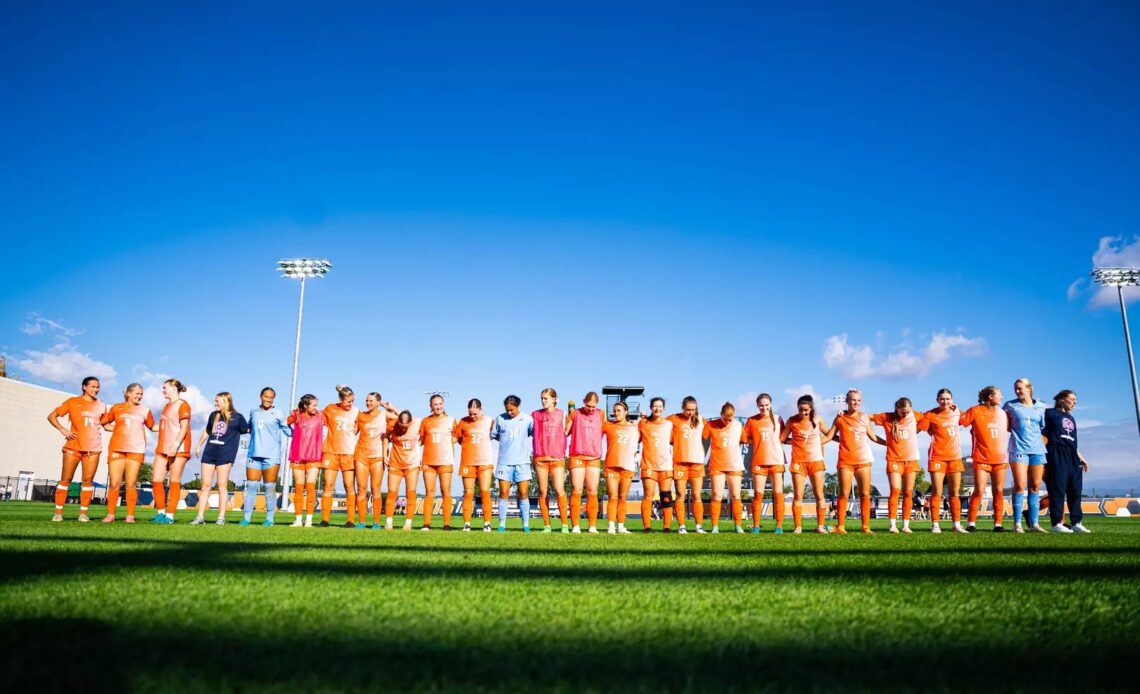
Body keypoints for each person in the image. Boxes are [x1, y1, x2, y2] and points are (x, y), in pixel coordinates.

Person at [99, 383, 156, 523]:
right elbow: (104, 424)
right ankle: (111, 515)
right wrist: (119, 429)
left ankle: (130, 515)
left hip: (136, 449)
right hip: (117, 448)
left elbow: (153, 427)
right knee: (115, 483)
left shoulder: (145, 410)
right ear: (128, 393)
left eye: (141, 394)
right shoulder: (117, 407)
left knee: (131, 483)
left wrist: (170, 426)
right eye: (137, 393)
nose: (139, 396)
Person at [191, 392, 250, 525]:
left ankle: (221, 517)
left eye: (217, 401)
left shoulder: (238, 417)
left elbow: (248, 430)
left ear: (226, 401)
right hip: (209, 453)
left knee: (221, 486)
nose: (215, 403)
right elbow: (207, 430)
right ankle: (200, 517)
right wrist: (199, 445)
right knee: (205, 485)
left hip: (225, 455)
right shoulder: (213, 415)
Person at [831, 389, 883, 534]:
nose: (856, 403)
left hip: (863, 460)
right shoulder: (840, 418)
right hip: (845, 461)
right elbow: (829, 435)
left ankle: (865, 526)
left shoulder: (865, 418)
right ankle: (840, 526)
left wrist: (889, 443)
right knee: (843, 494)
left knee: (865, 494)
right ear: (847, 401)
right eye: (853, 400)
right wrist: (814, 440)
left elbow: (873, 437)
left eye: (859, 400)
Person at [960, 385, 1010, 532]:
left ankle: (998, 524)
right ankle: (971, 524)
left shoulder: (1003, 413)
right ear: (990, 397)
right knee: (979, 490)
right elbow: (960, 421)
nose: (1001, 397)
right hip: (981, 458)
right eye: (999, 394)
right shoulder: (975, 410)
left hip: (1000, 459)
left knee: (998, 491)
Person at [780, 394, 831, 534]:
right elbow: (783, 439)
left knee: (819, 494)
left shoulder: (817, 419)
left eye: (806, 410)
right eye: (801, 410)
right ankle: (798, 527)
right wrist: (795, 441)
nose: (803, 413)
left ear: (811, 408)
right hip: (798, 462)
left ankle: (820, 526)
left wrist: (820, 441)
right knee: (798, 495)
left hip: (816, 461)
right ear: (797, 408)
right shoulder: (791, 421)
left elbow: (829, 434)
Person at [919, 388, 966, 534]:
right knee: (937, 491)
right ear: (937, 400)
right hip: (937, 457)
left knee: (954, 492)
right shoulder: (931, 414)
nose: (945, 401)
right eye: (942, 399)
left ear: (952, 400)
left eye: (948, 399)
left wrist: (958, 408)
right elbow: (922, 428)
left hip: (955, 457)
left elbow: (968, 419)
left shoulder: (957, 412)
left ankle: (956, 525)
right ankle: (935, 525)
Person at [871, 397, 921, 534]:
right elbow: (867, 417)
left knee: (908, 492)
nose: (905, 415)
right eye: (903, 412)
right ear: (897, 409)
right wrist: (844, 412)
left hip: (911, 460)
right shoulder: (887, 417)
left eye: (908, 412)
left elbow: (931, 418)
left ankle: (905, 525)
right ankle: (892, 524)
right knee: (895, 490)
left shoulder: (915, 415)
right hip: (894, 460)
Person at [1043, 390, 1091, 533]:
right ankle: (1056, 523)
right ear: (1062, 399)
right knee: (1058, 489)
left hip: (1072, 455)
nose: (1074, 402)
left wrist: (1081, 458)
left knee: (1075, 490)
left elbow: (1072, 442)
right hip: (1056, 452)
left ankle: (1076, 522)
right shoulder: (1049, 413)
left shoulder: (1071, 418)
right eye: (1072, 399)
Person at [1004, 378, 1048, 533]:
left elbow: (1042, 427)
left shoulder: (1041, 406)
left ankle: (1034, 524)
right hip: (1018, 449)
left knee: (1035, 487)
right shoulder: (1010, 406)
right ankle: (1017, 524)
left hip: (1037, 450)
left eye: (1020, 388)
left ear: (1029, 388)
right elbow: (1004, 424)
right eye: (1015, 389)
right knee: (1020, 486)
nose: (1017, 391)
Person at [243, 387, 292, 526]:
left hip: (272, 456)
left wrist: (301, 426)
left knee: (269, 487)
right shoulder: (254, 412)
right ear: (261, 397)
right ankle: (246, 518)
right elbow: (248, 428)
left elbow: (289, 432)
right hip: (254, 455)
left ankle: (269, 519)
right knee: (251, 486)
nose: (268, 399)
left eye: (271, 397)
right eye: (266, 396)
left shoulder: (278, 413)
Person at [354, 393, 398, 529]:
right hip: (361, 456)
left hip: (377, 456)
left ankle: (376, 522)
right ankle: (361, 522)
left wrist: (391, 408)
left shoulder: (384, 415)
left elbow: (405, 418)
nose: (368, 403)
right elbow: (352, 433)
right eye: (367, 400)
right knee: (361, 489)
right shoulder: (361, 416)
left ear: (378, 402)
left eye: (371, 401)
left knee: (376, 489)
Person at [744, 393, 786, 534]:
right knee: (758, 494)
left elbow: (784, 438)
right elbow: (744, 438)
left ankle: (779, 526)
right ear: (757, 405)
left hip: (776, 460)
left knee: (778, 493)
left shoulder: (778, 419)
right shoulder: (751, 421)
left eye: (766, 405)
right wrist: (756, 442)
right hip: (759, 461)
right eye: (761, 405)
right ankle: (756, 525)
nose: (764, 407)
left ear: (771, 405)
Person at [152, 379, 192, 524]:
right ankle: (160, 513)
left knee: (174, 481)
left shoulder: (183, 405)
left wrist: (175, 446)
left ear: (174, 388)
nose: (163, 390)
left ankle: (169, 516)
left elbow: (184, 428)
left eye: (165, 388)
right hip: (162, 448)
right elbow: (161, 427)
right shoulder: (166, 406)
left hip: (178, 449)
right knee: (156, 480)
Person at [491, 395, 533, 532]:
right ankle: (502, 524)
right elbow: (495, 435)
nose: (509, 413)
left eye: (512, 410)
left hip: (522, 462)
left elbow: (533, 434)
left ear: (517, 406)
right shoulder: (500, 419)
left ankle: (525, 524)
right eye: (507, 410)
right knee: (503, 492)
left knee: (523, 492)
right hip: (504, 462)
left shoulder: (527, 419)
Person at [704, 403, 747, 533]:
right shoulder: (710, 425)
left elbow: (744, 439)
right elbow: (701, 436)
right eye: (725, 419)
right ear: (721, 414)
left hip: (734, 464)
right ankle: (715, 527)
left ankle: (738, 525)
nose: (728, 422)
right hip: (717, 464)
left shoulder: (738, 425)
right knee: (717, 495)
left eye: (730, 419)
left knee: (735, 495)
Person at [566, 391, 604, 533]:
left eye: (593, 406)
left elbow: (607, 428)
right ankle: (575, 525)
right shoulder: (575, 413)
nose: (591, 409)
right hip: (577, 455)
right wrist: (570, 416)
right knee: (577, 490)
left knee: (592, 491)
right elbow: (565, 432)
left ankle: (592, 526)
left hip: (594, 456)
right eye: (588, 406)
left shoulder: (601, 414)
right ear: (583, 401)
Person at [532, 388, 569, 533]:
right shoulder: (535, 414)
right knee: (542, 491)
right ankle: (547, 525)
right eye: (542, 398)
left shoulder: (562, 414)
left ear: (554, 399)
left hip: (557, 458)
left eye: (546, 398)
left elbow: (570, 430)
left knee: (559, 490)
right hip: (541, 458)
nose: (543, 401)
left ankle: (564, 525)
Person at [456, 398, 495, 532]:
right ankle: (467, 523)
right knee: (468, 493)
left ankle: (487, 523)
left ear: (481, 409)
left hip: (485, 461)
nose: (472, 416)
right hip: (468, 461)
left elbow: (497, 436)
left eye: (475, 414)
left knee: (485, 491)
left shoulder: (489, 421)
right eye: (470, 413)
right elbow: (458, 439)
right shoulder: (463, 421)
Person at [668, 396, 706, 534]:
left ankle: (699, 526)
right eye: (688, 409)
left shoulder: (701, 420)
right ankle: (681, 526)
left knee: (696, 495)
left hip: (697, 462)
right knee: (680, 495)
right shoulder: (673, 419)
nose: (690, 412)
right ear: (682, 408)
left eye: (693, 410)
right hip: (680, 462)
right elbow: (658, 423)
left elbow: (715, 431)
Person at [419, 394, 457, 531]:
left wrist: (449, 443)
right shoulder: (425, 421)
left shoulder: (451, 420)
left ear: (443, 404)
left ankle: (446, 524)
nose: (438, 406)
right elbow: (421, 440)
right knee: (429, 492)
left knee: (446, 491)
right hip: (428, 461)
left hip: (445, 460)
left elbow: (458, 437)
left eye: (440, 403)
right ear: (431, 406)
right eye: (435, 404)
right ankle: (426, 524)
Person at [638, 397, 674, 533]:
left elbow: (674, 441)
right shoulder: (643, 423)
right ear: (651, 408)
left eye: (660, 406)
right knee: (648, 495)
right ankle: (647, 526)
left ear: (663, 408)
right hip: (648, 465)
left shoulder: (669, 424)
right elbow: (637, 438)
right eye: (655, 406)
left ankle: (666, 527)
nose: (657, 408)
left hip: (665, 465)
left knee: (666, 496)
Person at [287, 394, 323, 527]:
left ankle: (309, 520)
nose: (316, 408)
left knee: (311, 486)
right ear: (306, 406)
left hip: (314, 456)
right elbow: (284, 423)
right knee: (298, 487)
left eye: (316, 405)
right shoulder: (297, 415)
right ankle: (297, 520)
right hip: (297, 456)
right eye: (313, 405)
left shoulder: (320, 416)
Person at [602, 400, 638, 534]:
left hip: (627, 466)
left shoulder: (634, 427)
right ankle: (611, 526)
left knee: (623, 497)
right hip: (611, 466)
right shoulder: (607, 425)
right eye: (615, 410)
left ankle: (621, 526)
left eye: (619, 410)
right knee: (612, 496)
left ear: (626, 412)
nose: (616, 413)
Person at [386, 410, 422, 530]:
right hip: (395, 463)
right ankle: (389, 522)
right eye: (401, 426)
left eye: (406, 427)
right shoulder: (393, 424)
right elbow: (386, 437)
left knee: (411, 492)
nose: (403, 429)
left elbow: (426, 436)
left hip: (412, 464)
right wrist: (384, 454)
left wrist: (418, 444)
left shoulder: (417, 423)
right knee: (392, 492)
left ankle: (408, 523)